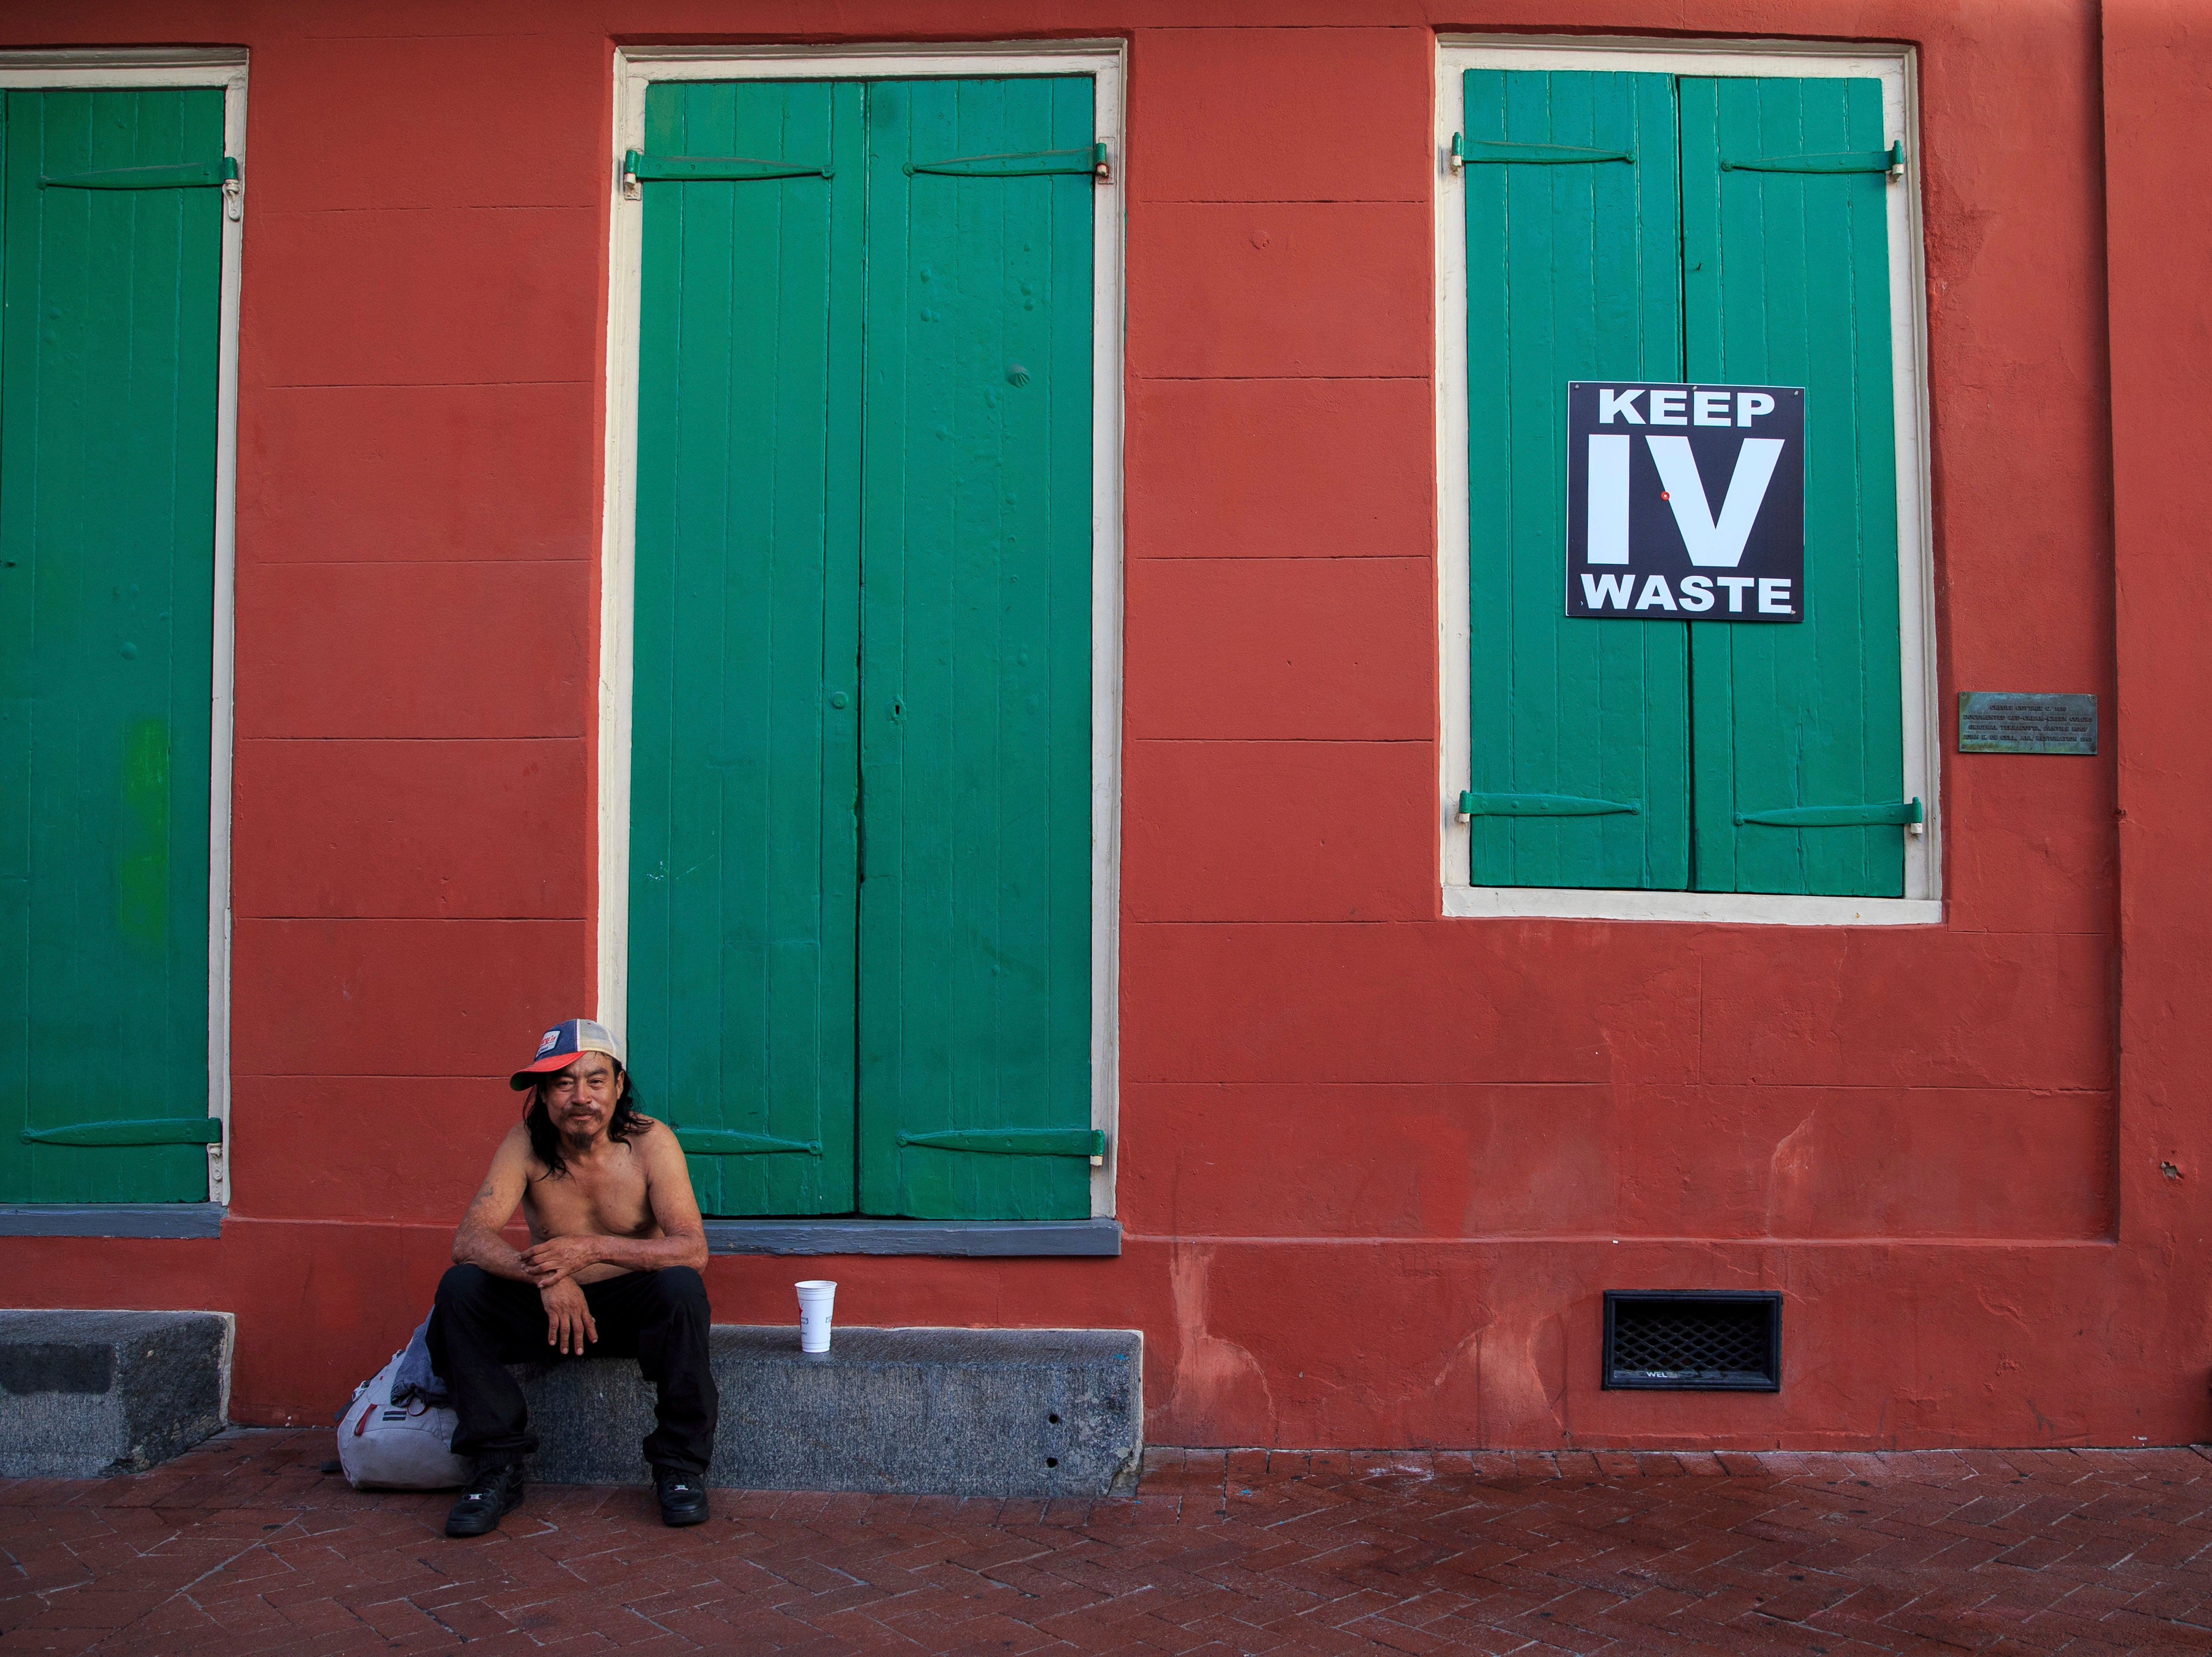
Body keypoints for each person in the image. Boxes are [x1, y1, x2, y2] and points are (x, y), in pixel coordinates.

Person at [429, 1018, 715, 1537]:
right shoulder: (524, 1142)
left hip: (631, 1311)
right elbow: (469, 1239)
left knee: (681, 1287)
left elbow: (692, 1248)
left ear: (619, 1085)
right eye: (563, 1083)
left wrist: (587, 1251)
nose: (580, 1096)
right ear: (541, 1093)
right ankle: (495, 1466)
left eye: (594, 1080)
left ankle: (679, 1468)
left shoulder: (652, 1142)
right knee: (461, 1290)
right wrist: (545, 1276)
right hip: (550, 1310)